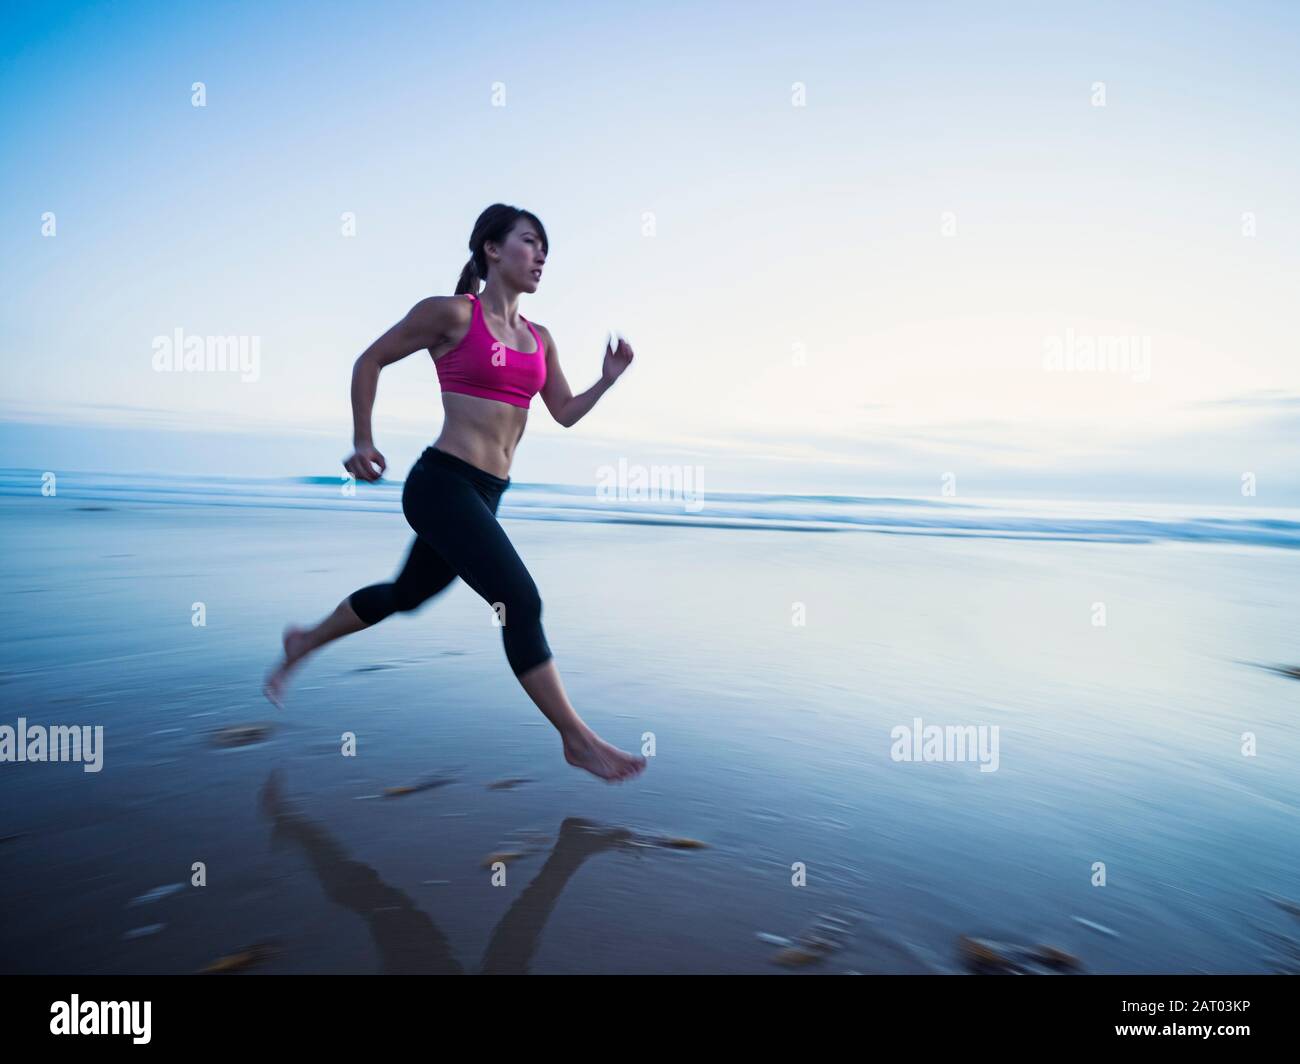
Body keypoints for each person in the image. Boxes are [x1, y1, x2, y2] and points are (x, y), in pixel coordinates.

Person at [264, 204, 646, 783]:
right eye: (530, 242)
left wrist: (607, 381)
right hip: (440, 484)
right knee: (520, 600)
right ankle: (577, 738)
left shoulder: (541, 340)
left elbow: (564, 413)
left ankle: (305, 641)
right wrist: (362, 439)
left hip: (489, 493)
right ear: (492, 250)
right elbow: (370, 359)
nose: (541, 256)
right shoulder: (451, 314)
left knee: (406, 594)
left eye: (546, 248)